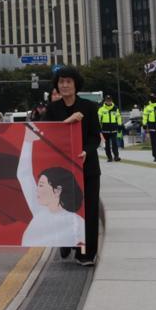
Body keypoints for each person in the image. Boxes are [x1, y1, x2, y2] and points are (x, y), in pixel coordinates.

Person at [44, 67, 100, 265]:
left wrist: (86, 151)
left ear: (76, 85)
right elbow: (47, 133)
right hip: (62, 171)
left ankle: (87, 254)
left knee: (89, 210)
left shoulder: (89, 107)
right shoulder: (52, 109)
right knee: (65, 209)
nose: (65, 85)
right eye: (61, 82)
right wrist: (69, 121)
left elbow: (95, 137)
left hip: (87, 167)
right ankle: (67, 242)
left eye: (69, 81)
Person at [18, 124, 86, 246]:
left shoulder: (76, 221)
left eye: (41, 185)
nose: (36, 190)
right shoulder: (39, 210)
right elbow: (24, 175)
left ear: (57, 190)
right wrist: (28, 141)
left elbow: (87, 244)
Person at [97, 95, 121, 162]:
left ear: (111, 101)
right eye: (107, 100)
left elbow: (118, 117)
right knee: (107, 145)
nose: (108, 102)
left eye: (110, 100)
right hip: (105, 130)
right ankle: (109, 157)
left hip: (113, 129)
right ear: (105, 101)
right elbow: (98, 118)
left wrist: (119, 124)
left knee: (114, 144)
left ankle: (116, 156)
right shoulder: (101, 109)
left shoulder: (115, 108)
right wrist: (98, 127)